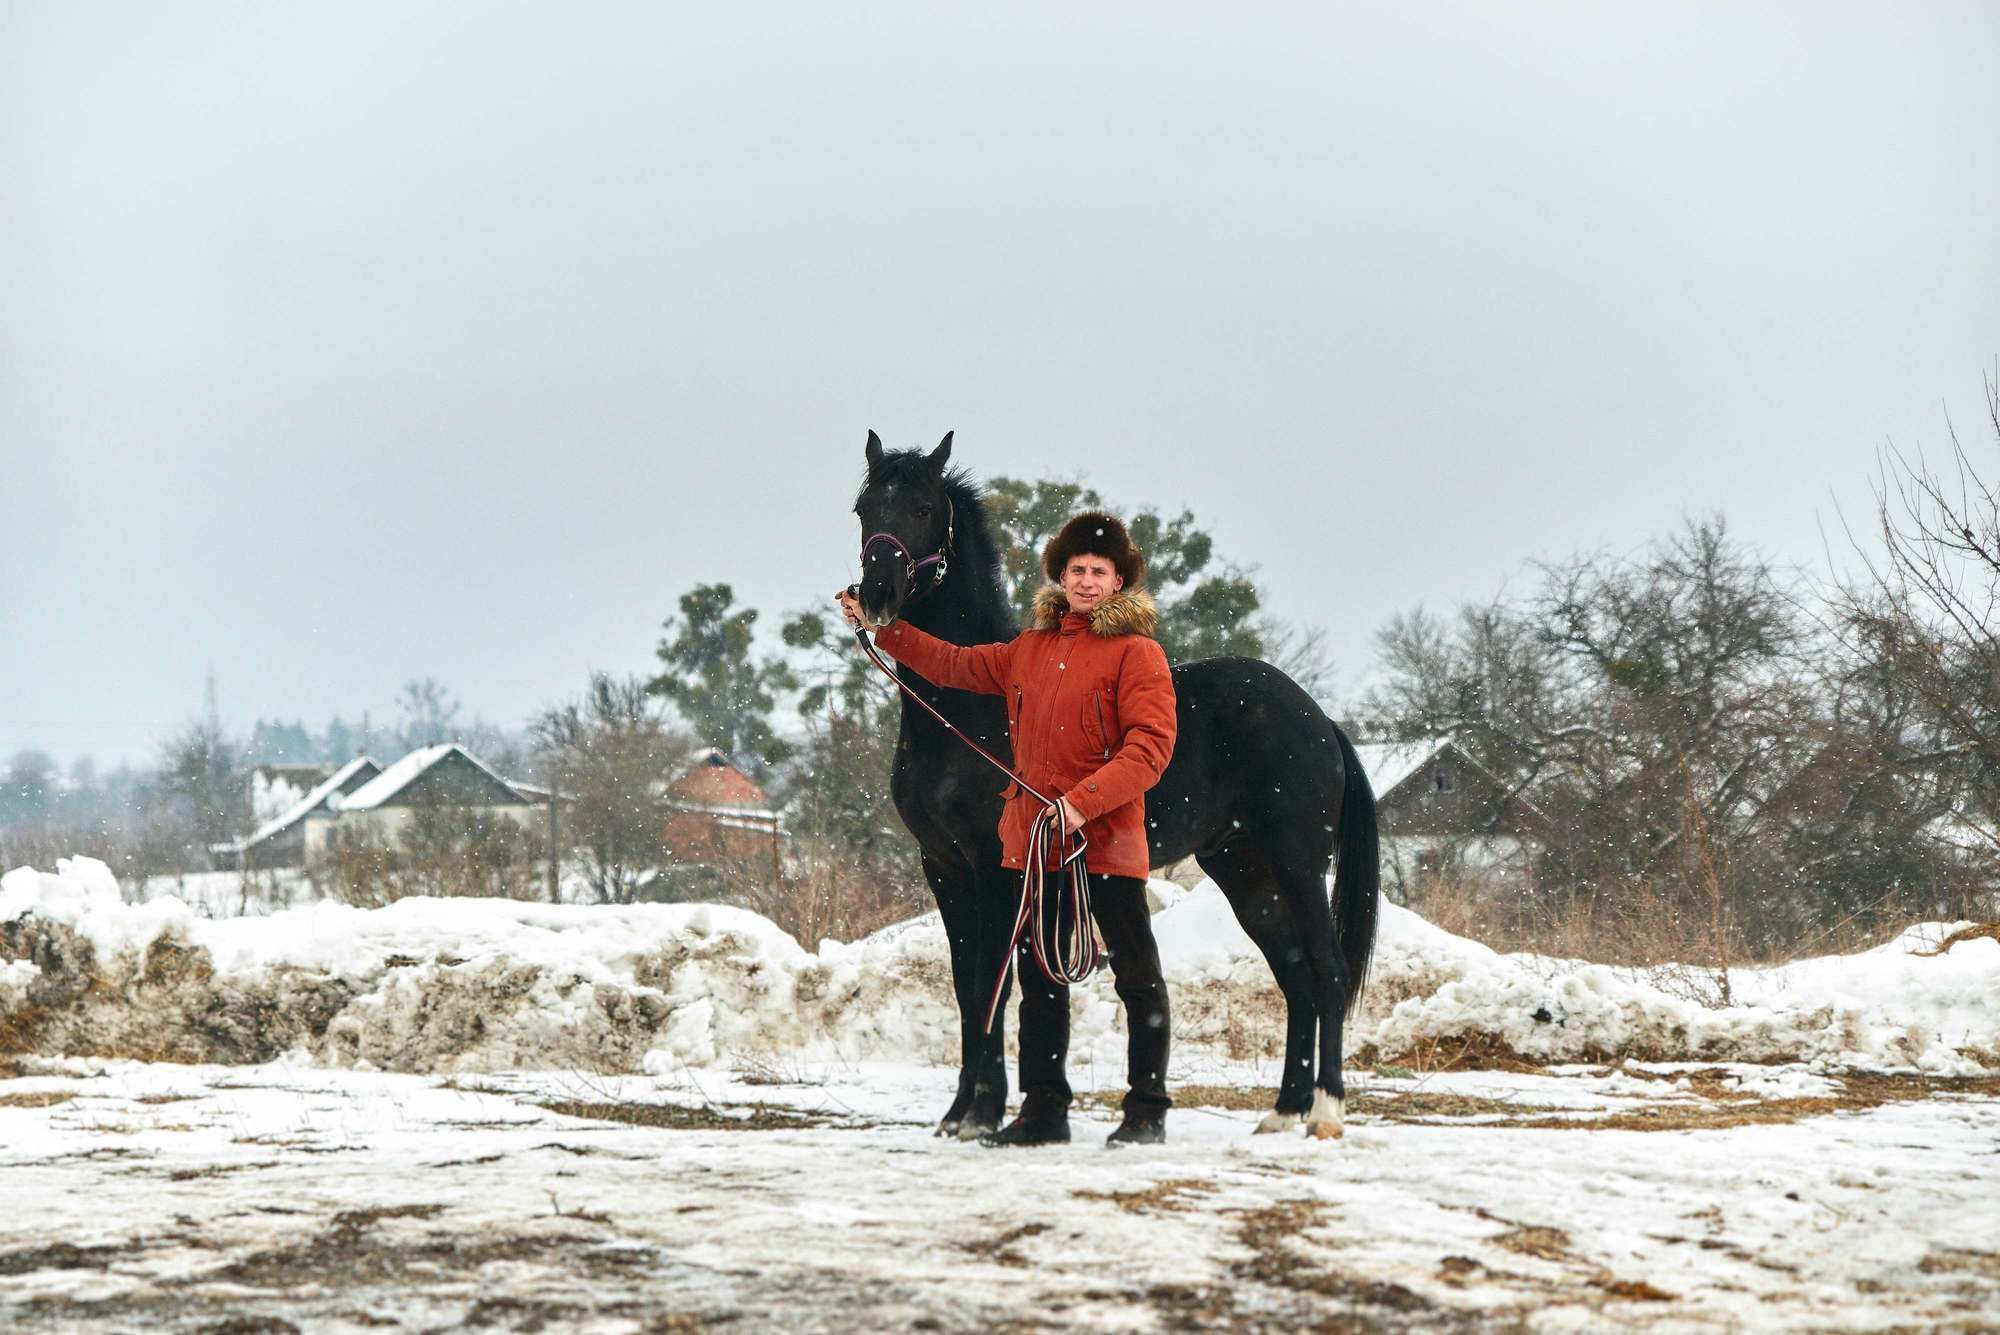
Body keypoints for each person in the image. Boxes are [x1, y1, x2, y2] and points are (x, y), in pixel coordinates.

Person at [837, 511, 1179, 1147]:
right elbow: (953, 665)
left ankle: (1147, 1109)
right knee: (1040, 980)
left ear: (1118, 582)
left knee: (1135, 972)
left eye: (1098, 572)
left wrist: (1081, 803)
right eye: (1076, 570)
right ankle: (1045, 1112)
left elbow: (1150, 749)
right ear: (1061, 576)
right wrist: (883, 629)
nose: (1085, 581)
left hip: (1102, 841)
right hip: (1037, 848)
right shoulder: (1030, 649)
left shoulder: (1139, 654)